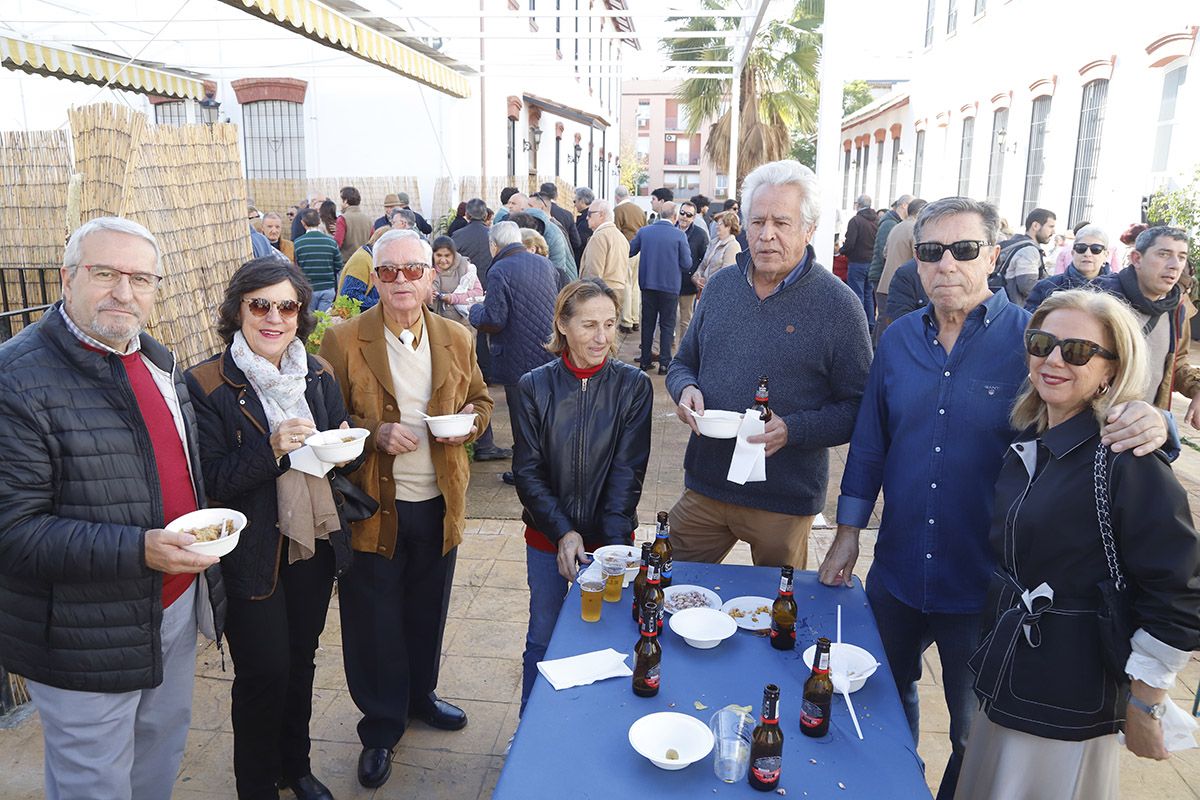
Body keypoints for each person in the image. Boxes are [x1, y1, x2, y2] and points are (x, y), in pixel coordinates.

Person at [819, 197, 1171, 800]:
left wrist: (1155, 426)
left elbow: (1094, 409)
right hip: (898, 571)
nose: (946, 265)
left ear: (993, 256)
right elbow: (872, 442)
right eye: (931, 252)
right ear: (917, 262)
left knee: (971, 733)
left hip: (986, 588)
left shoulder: (1034, 344)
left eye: (963, 250)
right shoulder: (899, 339)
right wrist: (848, 532)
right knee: (880, 701)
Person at [0, 217, 225, 800]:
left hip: (171, 609)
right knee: (92, 782)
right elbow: (13, 530)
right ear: (67, 277)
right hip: (82, 629)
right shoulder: (16, 379)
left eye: (141, 279)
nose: (124, 292)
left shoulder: (156, 360)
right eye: (106, 273)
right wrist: (140, 549)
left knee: (157, 756)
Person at [955, 289, 1200, 799]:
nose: (1055, 359)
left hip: (1065, 692)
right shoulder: (1040, 437)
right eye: (1042, 342)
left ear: (1113, 367)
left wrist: (1146, 704)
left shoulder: (1127, 457)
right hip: (1014, 672)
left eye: (1080, 350)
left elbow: (1179, 591)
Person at [319, 230, 492, 790]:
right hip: (374, 508)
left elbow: (482, 402)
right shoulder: (344, 341)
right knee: (373, 623)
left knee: (426, 610)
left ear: (431, 277)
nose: (400, 281)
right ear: (374, 279)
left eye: (412, 270)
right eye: (389, 271)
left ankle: (420, 697)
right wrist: (373, 434)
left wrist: (470, 425)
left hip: (440, 504)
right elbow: (325, 422)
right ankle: (380, 726)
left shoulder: (458, 337)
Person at [186, 258, 362, 800]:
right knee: (263, 672)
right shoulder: (207, 382)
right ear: (238, 310)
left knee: (301, 661)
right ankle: (257, 785)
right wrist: (273, 450)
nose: (274, 317)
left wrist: (347, 448)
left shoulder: (318, 373)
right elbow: (213, 479)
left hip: (312, 541)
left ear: (300, 315)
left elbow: (338, 458)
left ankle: (296, 767)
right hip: (252, 552)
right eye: (260, 304)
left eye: (287, 306)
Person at [667, 160, 873, 569]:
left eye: (782, 222)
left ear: (809, 229)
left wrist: (793, 430)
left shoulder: (839, 305)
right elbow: (682, 363)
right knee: (665, 583)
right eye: (757, 221)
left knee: (776, 617)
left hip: (784, 499)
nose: (767, 235)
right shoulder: (722, 287)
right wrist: (683, 389)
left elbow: (858, 407)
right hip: (706, 486)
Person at [511, 279, 653, 713]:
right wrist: (562, 533)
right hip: (547, 537)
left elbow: (627, 474)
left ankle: (598, 722)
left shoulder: (633, 385)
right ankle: (531, 728)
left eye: (609, 324)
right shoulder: (533, 386)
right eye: (589, 325)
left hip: (610, 539)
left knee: (608, 638)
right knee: (544, 635)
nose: (602, 337)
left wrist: (610, 550)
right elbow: (528, 472)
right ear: (562, 325)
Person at [469, 221, 560, 483]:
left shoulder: (500, 269)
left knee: (521, 416)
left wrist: (475, 311)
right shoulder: (544, 263)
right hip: (547, 351)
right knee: (543, 413)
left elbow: (494, 319)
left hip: (515, 354)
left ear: (494, 245)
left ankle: (524, 472)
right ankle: (548, 467)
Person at [1093, 226, 1200, 426]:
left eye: (1181, 256)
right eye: (1164, 254)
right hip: (1091, 426)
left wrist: (1197, 388)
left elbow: (1176, 363)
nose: (1175, 265)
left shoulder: (1177, 310)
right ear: (1136, 259)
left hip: (1142, 432)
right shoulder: (1099, 300)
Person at [630, 201, 691, 374]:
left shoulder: (645, 232)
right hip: (670, 286)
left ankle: (645, 360)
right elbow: (687, 263)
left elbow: (631, 251)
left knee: (648, 323)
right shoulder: (679, 236)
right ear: (674, 216)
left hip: (648, 284)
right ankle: (665, 363)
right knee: (667, 324)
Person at [451, 198, 495, 389]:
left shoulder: (458, 235)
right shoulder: (493, 235)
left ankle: (469, 372)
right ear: (486, 216)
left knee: (464, 332)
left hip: (466, 291)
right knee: (485, 332)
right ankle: (487, 372)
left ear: (467, 215)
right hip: (490, 286)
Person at [1024, 224, 1112, 310]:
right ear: (1073, 253)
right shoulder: (1046, 287)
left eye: (1096, 249)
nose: (1087, 254)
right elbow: (1031, 320)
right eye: (1081, 248)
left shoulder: (1118, 287)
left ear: (1106, 255)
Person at [876, 198, 926, 339]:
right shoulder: (916, 230)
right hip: (903, 285)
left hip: (885, 282)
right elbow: (920, 258)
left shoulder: (896, 226)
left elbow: (884, 253)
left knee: (883, 322)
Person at [869, 195, 912, 340]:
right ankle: (877, 348)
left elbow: (885, 251)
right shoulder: (891, 224)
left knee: (883, 317)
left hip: (885, 277)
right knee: (885, 317)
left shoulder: (895, 225)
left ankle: (874, 346)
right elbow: (883, 251)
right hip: (885, 277)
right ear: (905, 205)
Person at [999, 207, 1056, 308]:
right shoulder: (1029, 251)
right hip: (1017, 311)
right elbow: (1028, 286)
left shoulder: (1014, 243)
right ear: (1035, 226)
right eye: (1050, 227)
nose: (1053, 232)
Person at [578, 199, 629, 304]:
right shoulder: (621, 237)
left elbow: (593, 273)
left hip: (602, 295)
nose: (587, 217)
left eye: (590, 214)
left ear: (601, 215)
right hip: (618, 293)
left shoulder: (599, 237)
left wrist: (586, 298)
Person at [840, 194, 879, 329]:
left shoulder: (855, 221)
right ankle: (870, 324)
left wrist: (843, 251)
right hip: (871, 262)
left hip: (857, 262)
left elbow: (850, 243)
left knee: (857, 295)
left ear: (859, 205)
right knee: (868, 295)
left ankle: (858, 325)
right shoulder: (877, 220)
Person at [293, 208, 343, 312]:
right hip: (328, 288)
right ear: (319, 221)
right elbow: (338, 265)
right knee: (324, 322)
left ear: (303, 223)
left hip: (308, 289)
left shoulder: (297, 243)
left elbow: (295, 269)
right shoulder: (331, 242)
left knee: (310, 323)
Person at [613, 184, 647, 333]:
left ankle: (626, 321)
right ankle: (635, 319)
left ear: (616, 197)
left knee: (626, 284)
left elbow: (616, 232)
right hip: (640, 250)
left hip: (626, 250)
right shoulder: (639, 210)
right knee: (635, 286)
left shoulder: (618, 210)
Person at [676, 199, 709, 344]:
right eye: (682, 213)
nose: (684, 217)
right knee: (665, 320)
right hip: (669, 283)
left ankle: (682, 350)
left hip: (688, 285)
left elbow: (704, 259)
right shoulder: (671, 229)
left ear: (694, 217)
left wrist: (696, 276)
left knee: (686, 320)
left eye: (689, 215)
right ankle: (659, 349)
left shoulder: (700, 235)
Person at [430, 236, 483, 327]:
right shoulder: (428, 269)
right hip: (436, 325)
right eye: (439, 255)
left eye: (447, 256)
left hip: (463, 325)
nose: (443, 260)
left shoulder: (466, 267)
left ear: (454, 255)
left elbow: (478, 292)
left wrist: (453, 298)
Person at [527, 192, 579, 281]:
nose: (527, 210)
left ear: (542, 207)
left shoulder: (551, 229)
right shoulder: (551, 225)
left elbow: (558, 269)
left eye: (530, 206)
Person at [692, 210, 742, 291]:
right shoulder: (713, 243)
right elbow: (703, 265)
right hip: (705, 290)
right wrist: (696, 278)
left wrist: (707, 282)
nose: (716, 227)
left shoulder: (733, 246)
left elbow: (727, 275)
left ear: (728, 226)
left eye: (720, 224)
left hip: (718, 293)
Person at [539, 181, 583, 262]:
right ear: (556, 196)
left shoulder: (537, 212)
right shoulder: (567, 215)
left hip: (541, 257)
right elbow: (576, 242)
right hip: (563, 258)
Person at [335, 186, 374, 266]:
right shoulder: (368, 219)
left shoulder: (342, 219)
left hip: (347, 263)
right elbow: (373, 241)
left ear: (345, 201)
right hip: (365, 262)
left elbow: (337, 243)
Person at [573, 186, 595, 261]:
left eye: (575, 201)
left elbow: (579, 242)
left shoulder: (586, 221)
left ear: (582, 201)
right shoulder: (591, 215)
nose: (574, 205)